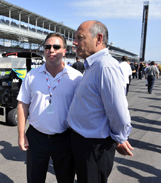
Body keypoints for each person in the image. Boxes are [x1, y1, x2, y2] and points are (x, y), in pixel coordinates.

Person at [67, 20, 133, 183]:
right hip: (84, 143)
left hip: (94, 147)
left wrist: (120, 137)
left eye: (80, 37)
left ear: (98, 39)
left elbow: (118, 110)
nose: (74, 42)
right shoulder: (93, 65)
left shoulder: (106, 67)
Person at [17, 33, 83, 183]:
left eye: (56, 47)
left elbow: (83, 109)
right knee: (35, 179)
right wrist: (21, 134)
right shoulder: (32, 76)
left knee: (65, 179)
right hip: (36, 138)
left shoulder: (76, 77)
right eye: (47, 47)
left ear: (65, 51)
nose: (51, 50)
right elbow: (22, 104)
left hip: (65, 138)